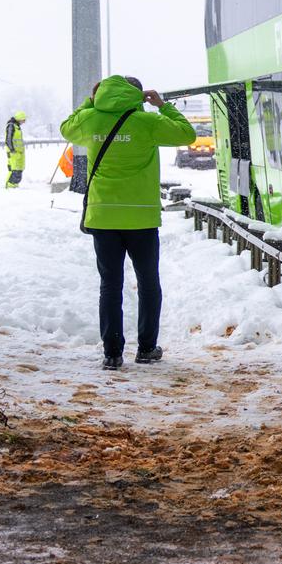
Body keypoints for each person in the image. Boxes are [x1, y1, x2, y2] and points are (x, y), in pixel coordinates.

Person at [60, 76, 196, 370]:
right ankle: (146, 348)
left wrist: (91, 102)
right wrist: (162, 106)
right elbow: (187, 134)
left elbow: (66, 127)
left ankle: (112, 353)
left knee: (110, 284)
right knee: (148, 283)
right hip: (141, 218)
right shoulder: (147, 122)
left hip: (104, 217)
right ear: (138, 95)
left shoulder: (92, 120)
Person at [3, 111, 26, 188]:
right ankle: (10, 184)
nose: (24, 122)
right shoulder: (11, 126)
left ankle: (15, 184)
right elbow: (8, 139)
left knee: (20, 168)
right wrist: (12, 149)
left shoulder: (17, 127)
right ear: (19, 118)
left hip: (19, 152)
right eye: (23, 120)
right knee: (14, 168)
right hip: (13, 152)